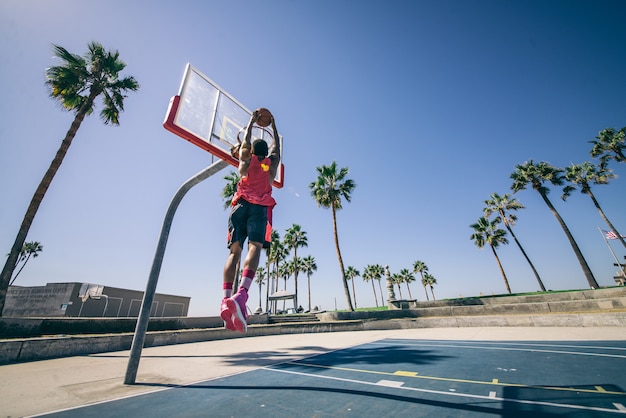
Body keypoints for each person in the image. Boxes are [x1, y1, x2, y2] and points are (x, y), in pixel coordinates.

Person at [221, 109, 281, 333]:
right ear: (267, 154)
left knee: (233, 253)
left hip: (239, 205)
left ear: (251, 151)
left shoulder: (245, 162)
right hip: (259, 207)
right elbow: (277, 148)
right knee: (255, 247)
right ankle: (241, 295)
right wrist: (272, 125)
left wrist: (251, 122)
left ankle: (225, 300)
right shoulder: (271, 166)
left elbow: (245, 141)